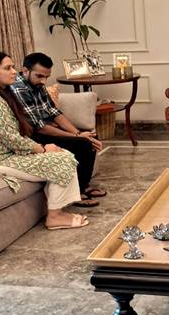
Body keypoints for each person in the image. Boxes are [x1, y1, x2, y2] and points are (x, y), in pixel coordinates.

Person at [0, 51, 89, 230]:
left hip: (10, 153)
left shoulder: (2, 94)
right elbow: (13, 139)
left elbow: (18, 134)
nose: (14, 71)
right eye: (8, 68)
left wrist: (47, 146)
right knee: (63, 160)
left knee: (64, 154)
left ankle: (57, 210)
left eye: (13, 67)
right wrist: (43, 149)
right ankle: (54, 217)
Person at [10, 52, 105, 207]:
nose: (44, 81)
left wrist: (78, 133)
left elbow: (54, 113)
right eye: (40, 76)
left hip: (46, 128)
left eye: (46, 77)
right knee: (83, 143)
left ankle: (84, 185)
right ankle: (77, 194)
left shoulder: (38, 85)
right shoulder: (18, 89)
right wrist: (78, 137)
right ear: (25, 71)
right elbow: (39, 128)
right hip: (31, 136)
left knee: (90, 137)